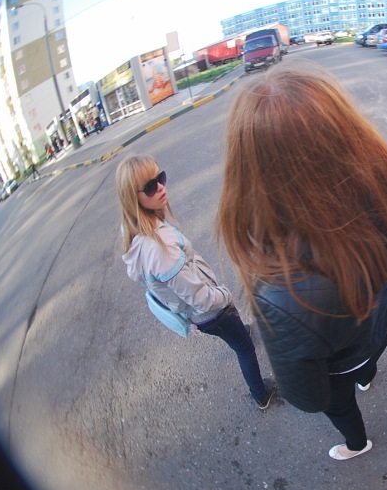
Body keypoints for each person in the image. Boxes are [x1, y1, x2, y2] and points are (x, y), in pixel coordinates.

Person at [216, 66, 387, 460]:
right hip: (377, 333)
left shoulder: (281, 292)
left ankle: (357, 444)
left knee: (340, 406)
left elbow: (308, 397)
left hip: (341, 365)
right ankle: (368, 375)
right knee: (367, 363)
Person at [116, 154, 275, 410]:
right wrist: (225, 295)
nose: (161, 187)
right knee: (245, 349)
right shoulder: (160, 250)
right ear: (132, 197)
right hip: (212, 312)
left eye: (160, 178)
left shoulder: (135, 232)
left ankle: (239, 331)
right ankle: (261, 394)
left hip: (198, 314)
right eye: (150, 186)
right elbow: (201, 299)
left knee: (235, 335)